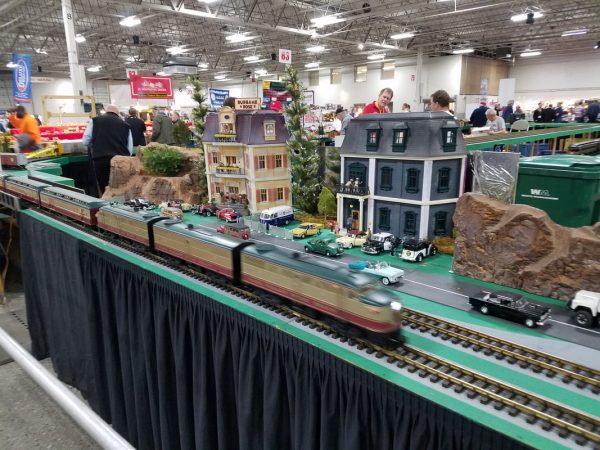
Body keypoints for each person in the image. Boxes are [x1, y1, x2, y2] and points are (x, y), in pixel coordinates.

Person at [82, 104, 133, 196]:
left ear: (106, 111)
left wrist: (95, 145)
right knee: (120, 189)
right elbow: (129, 148)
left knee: (105, 188)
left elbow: (85, 141)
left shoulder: (95, 121)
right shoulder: (125, 125)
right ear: (117, 113)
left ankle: (106, 203)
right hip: (120, 161)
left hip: (101, 159)